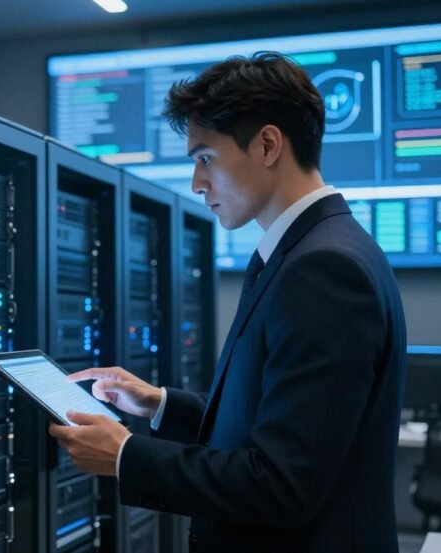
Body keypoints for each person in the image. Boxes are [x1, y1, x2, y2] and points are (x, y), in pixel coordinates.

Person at [49, 52, 407, 552]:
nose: (198, 183)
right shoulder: (313, 251)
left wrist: (127, 455)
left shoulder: (322, 270)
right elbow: (275, 425)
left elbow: (283, 484)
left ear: (266, 144)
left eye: (205, 158)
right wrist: (158, 404)